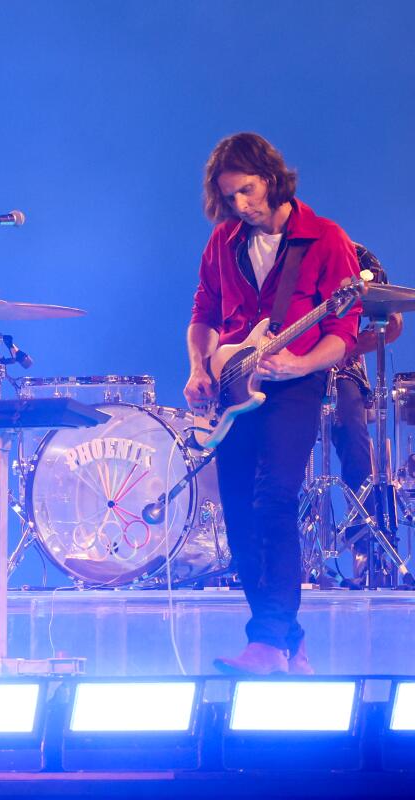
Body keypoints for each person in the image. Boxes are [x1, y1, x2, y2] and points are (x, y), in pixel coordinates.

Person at [185, 132, 360, 675]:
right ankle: (289, 639)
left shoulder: (326, 239)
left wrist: (302, 364)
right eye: (230, 196)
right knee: (237, 510)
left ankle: (264, 642)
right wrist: (198, 367)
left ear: (272, 177)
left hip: (295, 385)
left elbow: (344, 330)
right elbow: (204, 315)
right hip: (234, 387)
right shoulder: (224, 241)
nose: (241, 204)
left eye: (248, 191)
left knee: (274, 501)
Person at [328, 245, 402, 582]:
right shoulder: (281, 258)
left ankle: (364, 542)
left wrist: (349, 347)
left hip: (342, 369)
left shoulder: (359, 257)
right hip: (288, 369)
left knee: (352, 429)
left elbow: (393, 322)